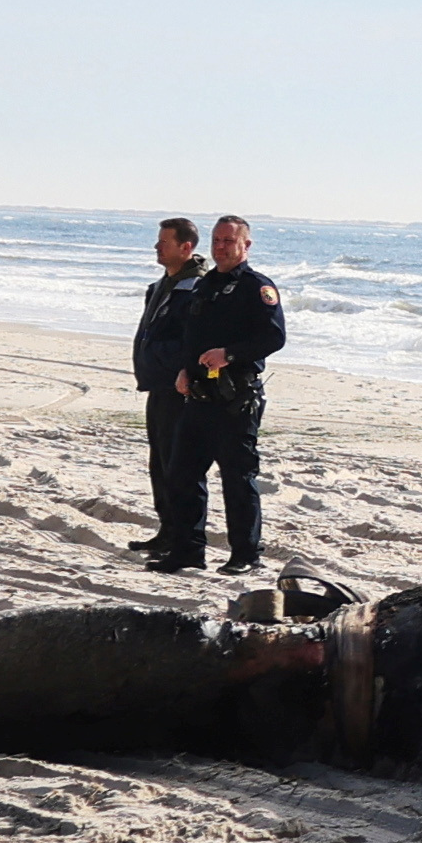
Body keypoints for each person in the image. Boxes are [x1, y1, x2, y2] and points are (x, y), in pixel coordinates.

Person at [166, 212, 288, 575]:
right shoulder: (205, 285)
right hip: (199, 397)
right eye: (216, 241)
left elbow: (273, 337)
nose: (220, 247)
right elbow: (194, 336)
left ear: (245, 245)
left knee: (238, 478)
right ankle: (188, 552)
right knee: (183, 474)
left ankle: (245, 556)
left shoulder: (257, 287)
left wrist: (229, 354)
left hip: (236, 400)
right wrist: (185, 369)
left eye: (228, 241)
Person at [128, 215, 205, 571]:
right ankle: (167, 529)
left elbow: (192, 340)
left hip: (179, 387)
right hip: (158, 385)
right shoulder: (165, 282)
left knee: (178, 466)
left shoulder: (195, 287)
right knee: (159, 461)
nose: (157, 247)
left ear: (185, 247)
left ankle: (182, 538)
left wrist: (169, 363)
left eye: (164, 242)